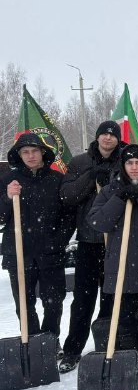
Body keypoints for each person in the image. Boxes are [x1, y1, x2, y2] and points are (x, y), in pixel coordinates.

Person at [89, 144, 138, 367]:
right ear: (123, 166)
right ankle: (129, 350)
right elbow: (97, 222)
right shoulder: (110, 190)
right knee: (124, 312)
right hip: (121, 261)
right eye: (129, 163)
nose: (134, 167)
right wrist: (119, 198)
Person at [58, 120, 125, 373]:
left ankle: (107, 345)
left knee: (112, 297)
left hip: (115, 241)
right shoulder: (79, 162)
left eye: (112, 135)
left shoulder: (124, 161)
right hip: (88, 240)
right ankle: (73, 350)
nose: (108, 138)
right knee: (83, 300)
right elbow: (67, 196)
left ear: (118, 139)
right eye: (103, 134)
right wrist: (91, 176)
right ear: (97, 137)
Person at [1, 134, 73, 353]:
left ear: (43, 152)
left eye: (34, 151)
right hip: (18, 253)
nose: (30, 156)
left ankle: (50, 341)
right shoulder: (8, 180)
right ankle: (33, 344)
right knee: (24, 302)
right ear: (19, 155)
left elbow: (68, 216)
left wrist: (58, 241)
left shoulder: (57, 180)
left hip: (50, 253)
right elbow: (1, 217)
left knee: (54, 301)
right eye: (25, 152)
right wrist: (7, 197)